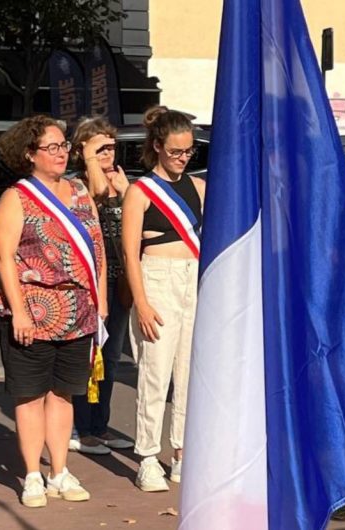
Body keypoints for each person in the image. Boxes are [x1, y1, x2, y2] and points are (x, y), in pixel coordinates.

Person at [0, 115, 107, 508]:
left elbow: (96, 247)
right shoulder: (16, 197)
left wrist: (100, 300)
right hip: (33, 313)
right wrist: (20, 312)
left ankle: (59, 470)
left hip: (78, 310)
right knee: (30, 396)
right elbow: (4, 257)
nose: (61, 154)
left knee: (63, 395)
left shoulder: (78, 191)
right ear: (29, 154)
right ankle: (33, 475)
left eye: (63, 146)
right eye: (52, 147)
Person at [121, 106, 205, 492]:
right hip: (156, 278)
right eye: (176, 151)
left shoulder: (200, 187)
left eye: (189, 151)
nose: (183, 158)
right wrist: (141, 302)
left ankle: (183, 452)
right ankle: (148, 456)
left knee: (190, 374)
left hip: (194, 278)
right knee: (155, 373)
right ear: (157, 147)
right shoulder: (140, 192)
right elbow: (129, 252)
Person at [68, 117, 133, 455]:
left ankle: (100, 424)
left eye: (111, 146)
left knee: (111, 354)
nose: (109, 152)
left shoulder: (123, 182)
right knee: (87, 354)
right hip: (89, 281)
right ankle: (82, 426)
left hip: (119, 279)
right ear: (83, 150)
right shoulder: (75, 184)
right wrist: (91, 160)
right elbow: (95, 194)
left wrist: (125, 193)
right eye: (101, 147)